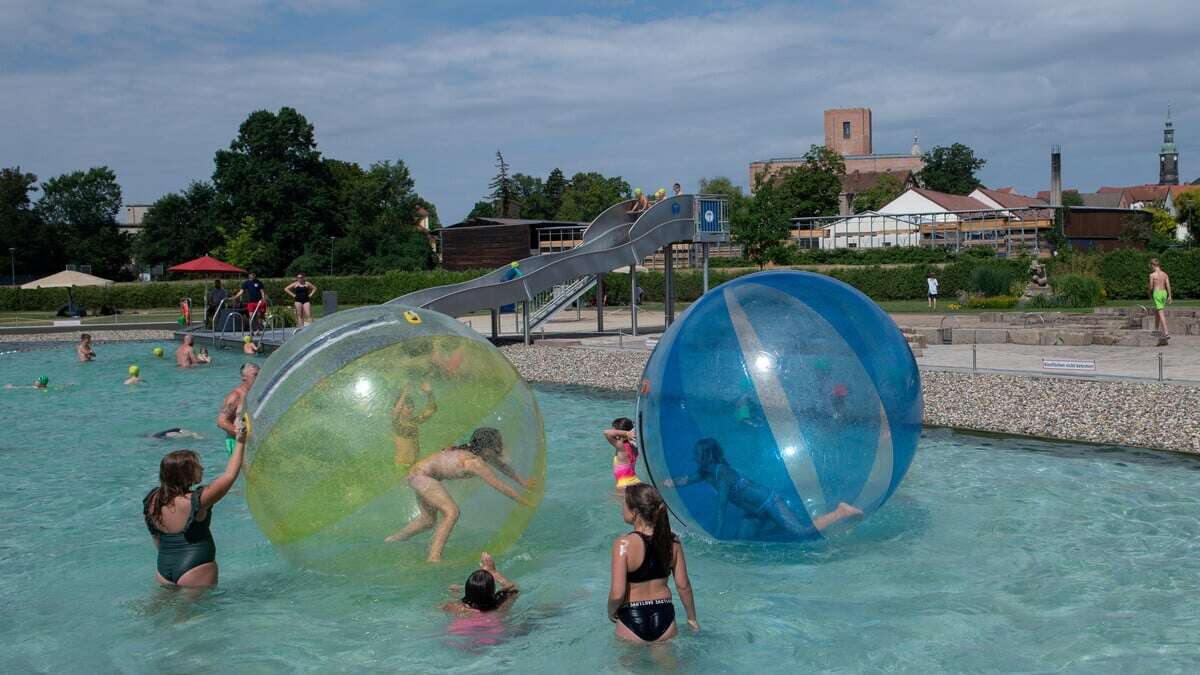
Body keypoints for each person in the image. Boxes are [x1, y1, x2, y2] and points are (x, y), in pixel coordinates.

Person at [385, 427, 535, 562]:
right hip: (422, 477)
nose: (499, 447)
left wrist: (524, 483)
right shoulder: (474, 462)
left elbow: (503, 467)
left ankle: (393, 540)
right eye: (496, 444)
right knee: (452, 512)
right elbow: (498, 485)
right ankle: (433, 557)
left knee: (428, 520)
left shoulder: (475, 453)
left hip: (417, 475)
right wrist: (522, 500)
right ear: (487, 447)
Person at [663, 438, 861, 539]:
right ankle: (776, 529)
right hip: (752, 511)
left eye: (697, 453)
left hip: (768, 502)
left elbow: (722, 505)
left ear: (707, 456)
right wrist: (670, 482)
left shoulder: (722, 473)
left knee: (802, 532)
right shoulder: (706, 472)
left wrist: (717, 533)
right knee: (744, 544)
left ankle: (840, 512)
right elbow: (687, 479)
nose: (694, 456)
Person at [142, 421, 247, 589]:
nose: (202, 468)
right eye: (197, 467)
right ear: (185, 474)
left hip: (163, 567)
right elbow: (229, 476)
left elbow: (156, 537)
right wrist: (240, 441)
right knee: (197, 615)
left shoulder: (152, 499)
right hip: (195, 568)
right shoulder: (197, 500)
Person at [607, 484, 698, 643]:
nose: (622, 508)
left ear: (634, 512)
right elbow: (683, 586)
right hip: (664, 615)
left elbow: (617, 593)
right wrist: (691, 619)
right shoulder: (672, 541)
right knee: (670, 667)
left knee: (627, 668)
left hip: (632, 616)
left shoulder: (623, 544)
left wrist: (610, 612)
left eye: (624, 504)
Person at [443, 552, 519, 647]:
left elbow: (438, 608)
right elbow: (514, 589)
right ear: (492, 590)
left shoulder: (456, 607)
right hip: (493, 641)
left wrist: (454, 594)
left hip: (458, 642)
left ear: (467, 590)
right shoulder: (500, 608)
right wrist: (494, 572)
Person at [217, 362, 260, 456]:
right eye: (255, 375)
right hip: (236, 441)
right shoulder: (235, 396)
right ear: (244, 377)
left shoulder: (255, 394)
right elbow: (221, 421)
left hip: (251, 441)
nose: (259, 378)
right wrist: (243, 436)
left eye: (260, 374)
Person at [393, 381, 437, 467]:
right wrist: (404, 393)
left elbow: (431, 410)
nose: (411, 410)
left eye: (412, 407)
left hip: (414, 464)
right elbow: (396, 410)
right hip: (402, 465)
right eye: (408, 407)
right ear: (401, 408)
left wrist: (429, 393)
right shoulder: (397, 423)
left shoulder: (414, 421)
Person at [603, 417, 641, 491]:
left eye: (614, 430)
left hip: (624, 485)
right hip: (636, 481)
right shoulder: (635, 446)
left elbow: (606, 432)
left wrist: (627, 433)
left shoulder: (621, 446)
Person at [1149, 258, 1173, 338]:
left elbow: (1151, 287)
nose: (1151, 267)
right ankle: (1156, 330)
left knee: (1161, 313)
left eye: (1151, 265)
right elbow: (1168, 285)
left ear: (1153, 265)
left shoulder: (1152, 275)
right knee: (1157, 312)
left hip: (1157, 294)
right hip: (1164, 293)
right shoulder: (1165, 274)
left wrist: (1149, 291)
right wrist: (1170, 296)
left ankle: (1166, 332)